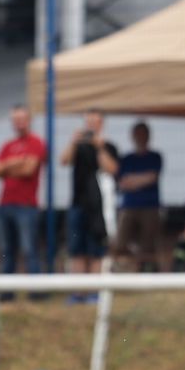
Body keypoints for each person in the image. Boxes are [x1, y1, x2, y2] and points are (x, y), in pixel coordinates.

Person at [60, 112, 119, 291]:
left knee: (96, 250)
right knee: (76, 249)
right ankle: (78, 291)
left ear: (102, 123)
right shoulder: (78, 146)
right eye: (89, 121)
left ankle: (94, 291)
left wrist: (99, 147)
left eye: (96, 121)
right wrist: (73, 141)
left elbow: (112, 168)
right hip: (78, 203)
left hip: (98, 207)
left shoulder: (108, 146)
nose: (92, 124)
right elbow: (64, 160)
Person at [0, 105, 47, 281]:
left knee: (29, 248)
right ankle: (6, 291)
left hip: (26, 205)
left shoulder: (36, 142)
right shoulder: (8, 145)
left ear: (29, 121)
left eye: (22, 119)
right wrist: (15, 162)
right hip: (5, 203)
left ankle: (35, 290)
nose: (19, 123)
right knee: (6, 250)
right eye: (15, 120)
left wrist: (5, 166)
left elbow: (29, 170)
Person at [113, 121, 165, 273]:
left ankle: (147, 271)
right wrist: (142, 179)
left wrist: (133, 180)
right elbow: (123, 182)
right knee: (121, 242)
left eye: (143, 133)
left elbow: (152, 177)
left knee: (148, 243)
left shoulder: (155, 156)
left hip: (150, 206)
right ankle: (123, 270)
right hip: (128, 206)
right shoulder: (126, 158)